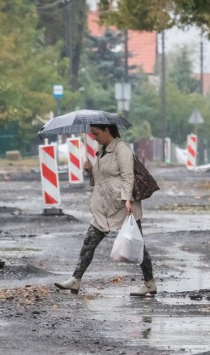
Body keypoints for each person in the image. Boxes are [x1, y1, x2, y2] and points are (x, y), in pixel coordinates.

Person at [54, 123, 156, 297]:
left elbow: (127, 176)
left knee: (138, 245)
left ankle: (149, 283)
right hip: (103, 205)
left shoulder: (121, 149)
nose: (93, 137)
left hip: (123, 205)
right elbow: (103, 177)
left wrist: (127, 200)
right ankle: (75, 280)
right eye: (92, 134)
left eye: (96, 133)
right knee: (89, 242)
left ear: (107, 130)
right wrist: (91, 171)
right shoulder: (101, 149)